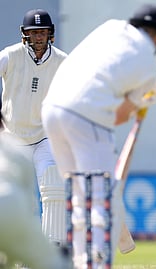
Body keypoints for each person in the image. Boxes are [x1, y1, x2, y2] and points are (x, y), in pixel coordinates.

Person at [41, 3, 156, 268]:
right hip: (88, 117)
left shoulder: (110, 27)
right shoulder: (147, 63)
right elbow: (120, 116)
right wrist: (148, 98)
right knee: (101, 198)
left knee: (78, 193)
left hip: (51, 110)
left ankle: (79, 260)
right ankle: (97, 262)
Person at [0, 9, 68, 246]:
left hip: (43, 137)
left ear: (50, 34)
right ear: (24, 35)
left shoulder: (63, 61)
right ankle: (19, 250)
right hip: (11, 138)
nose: (38, 37)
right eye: (33, 33)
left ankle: (53, 249)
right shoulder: (10, 55)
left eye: (42, 32)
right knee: (17, 197)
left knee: (53, 185)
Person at [0, 116, 72, 269]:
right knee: (54, 263)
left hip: (44, 134)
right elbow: (26, 203)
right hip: (10, 207)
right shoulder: (14, 150)